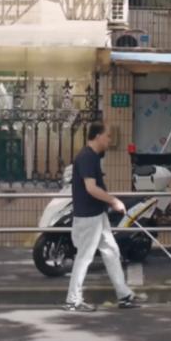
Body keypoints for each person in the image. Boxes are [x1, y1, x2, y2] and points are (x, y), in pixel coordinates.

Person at [63, 122, 143, 312]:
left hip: (97, 215)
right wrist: (114, 201)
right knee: (84, 257)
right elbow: (91, 188)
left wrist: (109, 203)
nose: (109, 140)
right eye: (107, 136)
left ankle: (124, 295)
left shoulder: (91, 156)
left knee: (111, 251)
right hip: (89, 216)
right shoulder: (87, 157)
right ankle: (73, 300)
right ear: (98, 136)